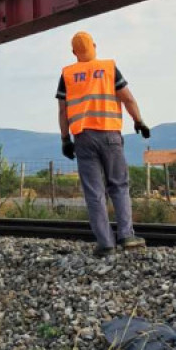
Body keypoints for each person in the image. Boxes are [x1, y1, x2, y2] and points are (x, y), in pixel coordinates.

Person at [57, 31, 149, 257]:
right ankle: (127, 236)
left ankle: (106, 243)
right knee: (118, 185)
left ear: (73, 52)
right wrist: (139, 121)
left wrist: (65, 139)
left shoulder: (67, 74)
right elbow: (127, 98)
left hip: (83, 138)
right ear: (94, 46)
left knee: (94, 192)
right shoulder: (108, 68)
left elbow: (63, 110)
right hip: (110, 135)